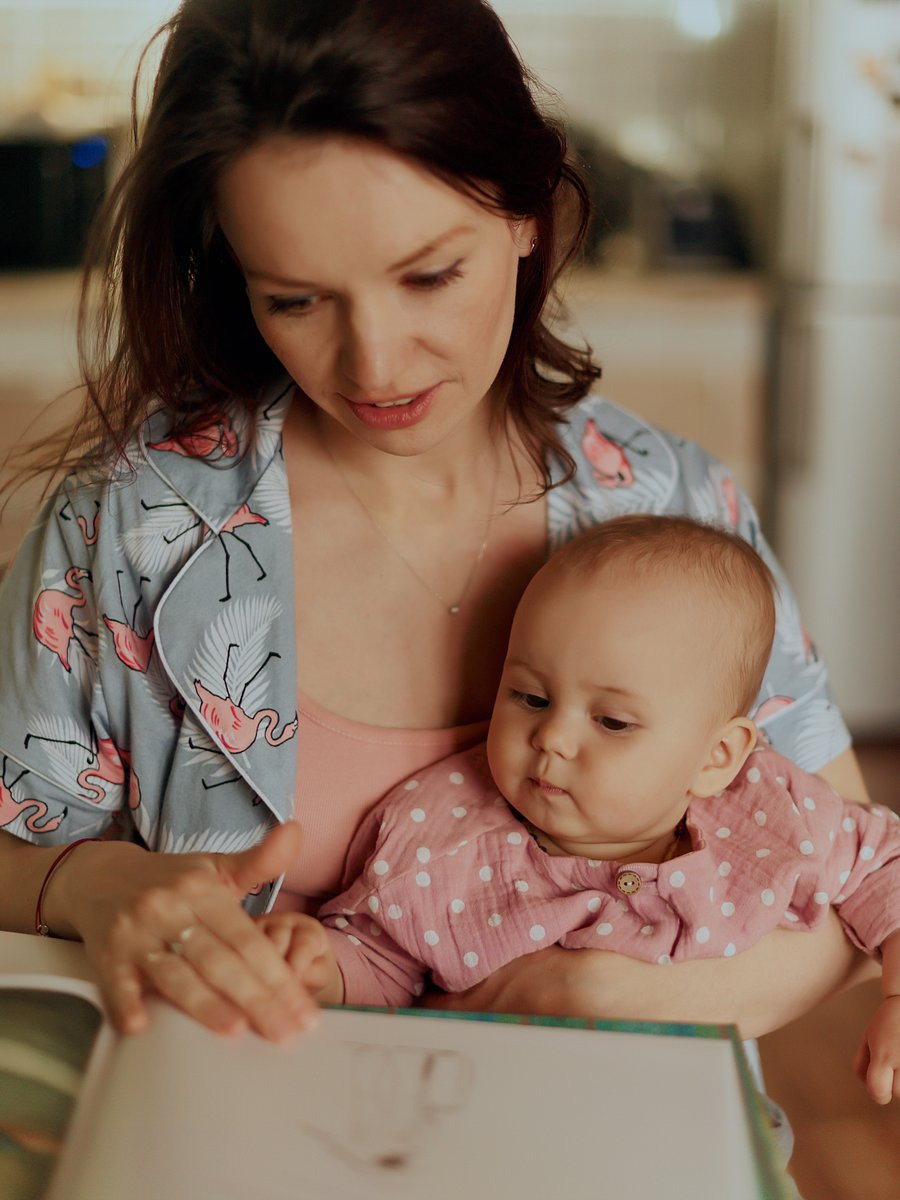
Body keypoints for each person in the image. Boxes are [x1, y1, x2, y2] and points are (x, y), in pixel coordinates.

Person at [0, 0, 876, 1050]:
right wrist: (97, 884)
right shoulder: (127, 532)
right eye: (296, 300)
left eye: (428, 276)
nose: (376, 366)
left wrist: (589, 1002)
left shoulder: (667, 503)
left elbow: (849, 880)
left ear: (525, 213)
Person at [256, 516, 900, 1103]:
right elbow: (381, 961)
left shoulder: (767, 813)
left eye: (613, 721)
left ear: (717, 756)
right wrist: (320, 968)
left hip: (694, 1127)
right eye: (530, 698)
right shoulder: (442, 837)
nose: (553, 738)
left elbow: (883, 862)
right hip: (492, 1122)